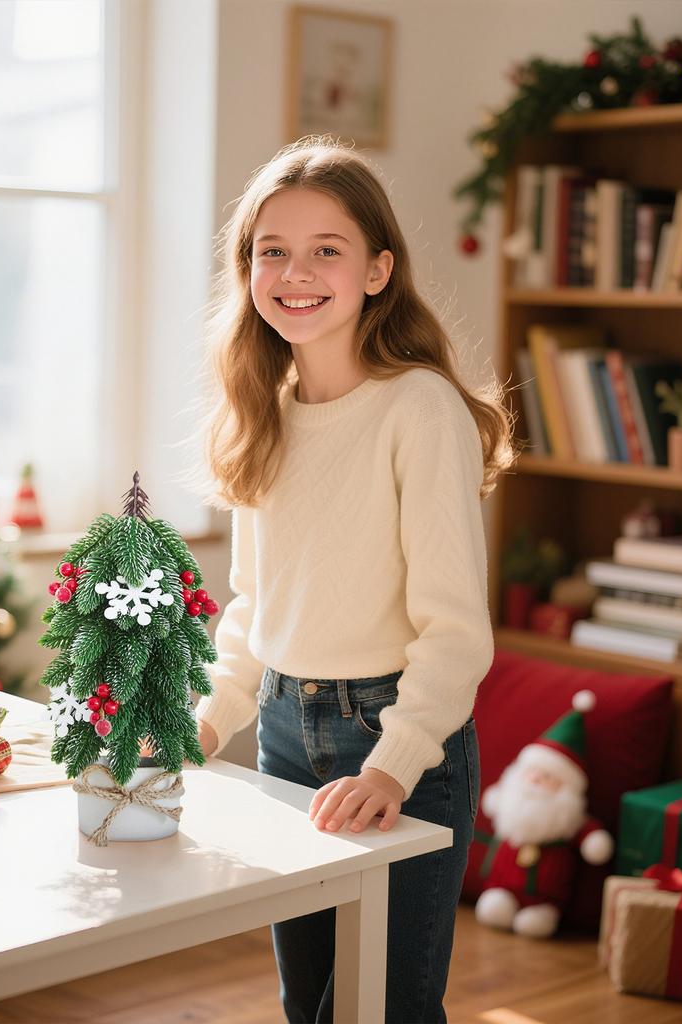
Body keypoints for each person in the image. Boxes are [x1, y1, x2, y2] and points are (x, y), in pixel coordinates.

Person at [183, 136, 517, 1023]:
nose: (296, 272)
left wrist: (394, 766)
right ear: (247, 269)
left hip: (399, 734)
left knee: (380, 1010)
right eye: (271, 251)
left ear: (377, 270)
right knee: (311, 1007)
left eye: (326, 249)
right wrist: (205, 722)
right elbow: (255, 610)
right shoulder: (264, 412)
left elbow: (455, 632)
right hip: (285, 737)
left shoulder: (419, 409)